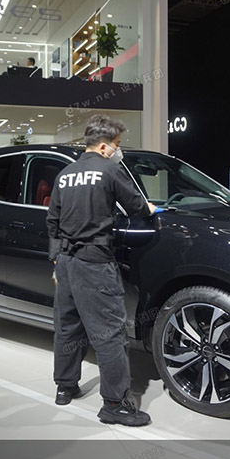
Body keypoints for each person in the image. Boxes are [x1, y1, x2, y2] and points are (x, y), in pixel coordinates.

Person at [46, 114, 156, 427]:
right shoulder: (109, 169)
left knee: (68, 327)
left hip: (66, 263)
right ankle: (115, 405)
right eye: (117, 144)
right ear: (105, 146)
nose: (118, 150)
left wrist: (56, 260)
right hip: (95, 262)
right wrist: (150, 209)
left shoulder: (65, 174)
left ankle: (65, 387)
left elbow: (52, 221)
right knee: (109, 333)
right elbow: (136, 206)